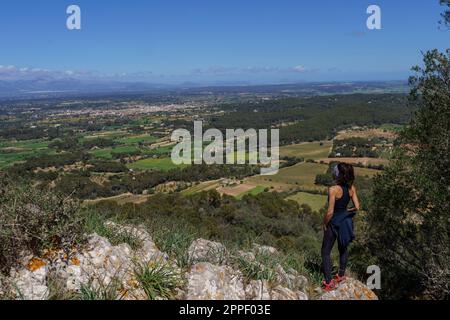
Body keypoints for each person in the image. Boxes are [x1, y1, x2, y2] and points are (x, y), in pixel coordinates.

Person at [321, 162, 360, 291]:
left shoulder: (333, 189)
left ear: (339, 174)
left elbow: (330, 212)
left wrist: (324, 223)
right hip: (345, 222)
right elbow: (357, 207)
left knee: (325, 251)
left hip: (333, 223)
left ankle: (328, 282)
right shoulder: (351, 188)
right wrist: (346, 212)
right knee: (343, 248)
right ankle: (341, 275)